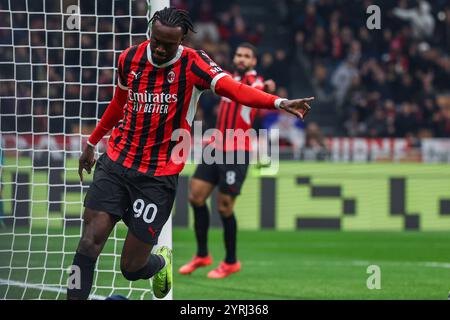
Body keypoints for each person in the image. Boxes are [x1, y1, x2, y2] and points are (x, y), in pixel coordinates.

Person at [68, 7, 313, 300]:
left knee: (132, 269)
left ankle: (160, 263)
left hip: (156, 177)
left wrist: (279, 102)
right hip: (116, 163)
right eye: (155, 40)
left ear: (181, 40)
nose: (158, 48)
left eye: (167, 44)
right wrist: (92, 142)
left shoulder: (194, 64)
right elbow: (119, 104)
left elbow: (235, 89)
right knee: (88, 244)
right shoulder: (129, 58)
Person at [178, 43, 276, 278]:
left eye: (246, 56)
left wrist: (271, 86)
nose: (241, 59)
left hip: (238, 150)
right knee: (196, 196)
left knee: (224, 206)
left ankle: (231, 261)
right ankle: (202, 255)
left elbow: (262, 90)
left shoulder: (257, 83)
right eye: (238, 55)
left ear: (253, 62)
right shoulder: (225, 79)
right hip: (216, 146)